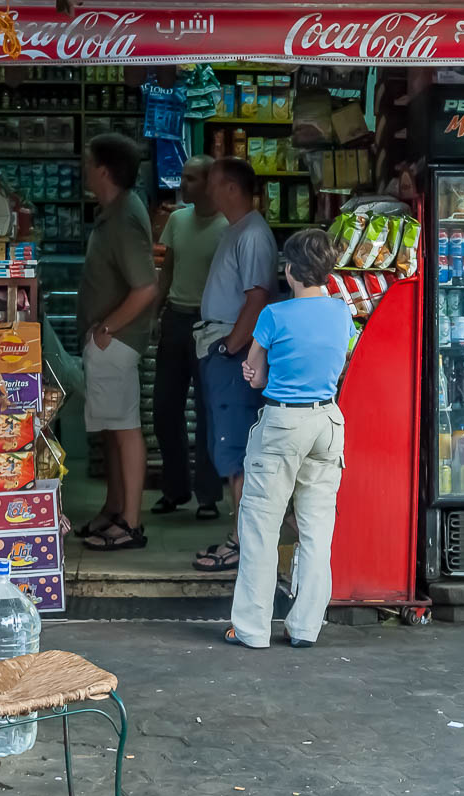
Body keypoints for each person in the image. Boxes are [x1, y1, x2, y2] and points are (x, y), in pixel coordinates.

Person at [222, 229, 354, 649]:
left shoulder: (274, 316)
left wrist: (255, 373)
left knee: (261, 527)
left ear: (290, 270)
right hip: (328, 422)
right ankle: (305, 628)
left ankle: (252, 629)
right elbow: (338, 362)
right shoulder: (341, 313)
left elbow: (256, 374)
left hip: (282, 423)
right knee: (317, 530)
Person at [191, 158, 278, 572]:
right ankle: (241, 536)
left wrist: (230, 348)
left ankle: (245, 542)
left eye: (212, 183)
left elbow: (257, 297)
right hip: (221, 346)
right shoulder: (237, 231)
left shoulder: (253, 234)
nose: (205, 190)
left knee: (237, 449)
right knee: (227, 449)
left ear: (230, 188)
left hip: (233, 351)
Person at [77, 133, 160, 551]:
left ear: (104, 170)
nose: (84, 169)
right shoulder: (115, 211)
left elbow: (145, 287)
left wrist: (107, 329)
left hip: (117, 341)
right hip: (111, 339)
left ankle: (129, 522)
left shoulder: (125, 216)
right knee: (111, 427)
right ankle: (115, 509)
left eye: (89, 162)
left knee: (125, 428)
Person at [153, 156, 228, 520]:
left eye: (191, 178)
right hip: (175, 319)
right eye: (183, 176)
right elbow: (167, 270)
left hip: (211, 324)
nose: (183, 183)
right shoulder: (178, 220)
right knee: (165, 410)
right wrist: (155, 313)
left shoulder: (228, 227)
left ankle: (208, 496)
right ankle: (175, 489)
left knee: (207, 413)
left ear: (210, 182)